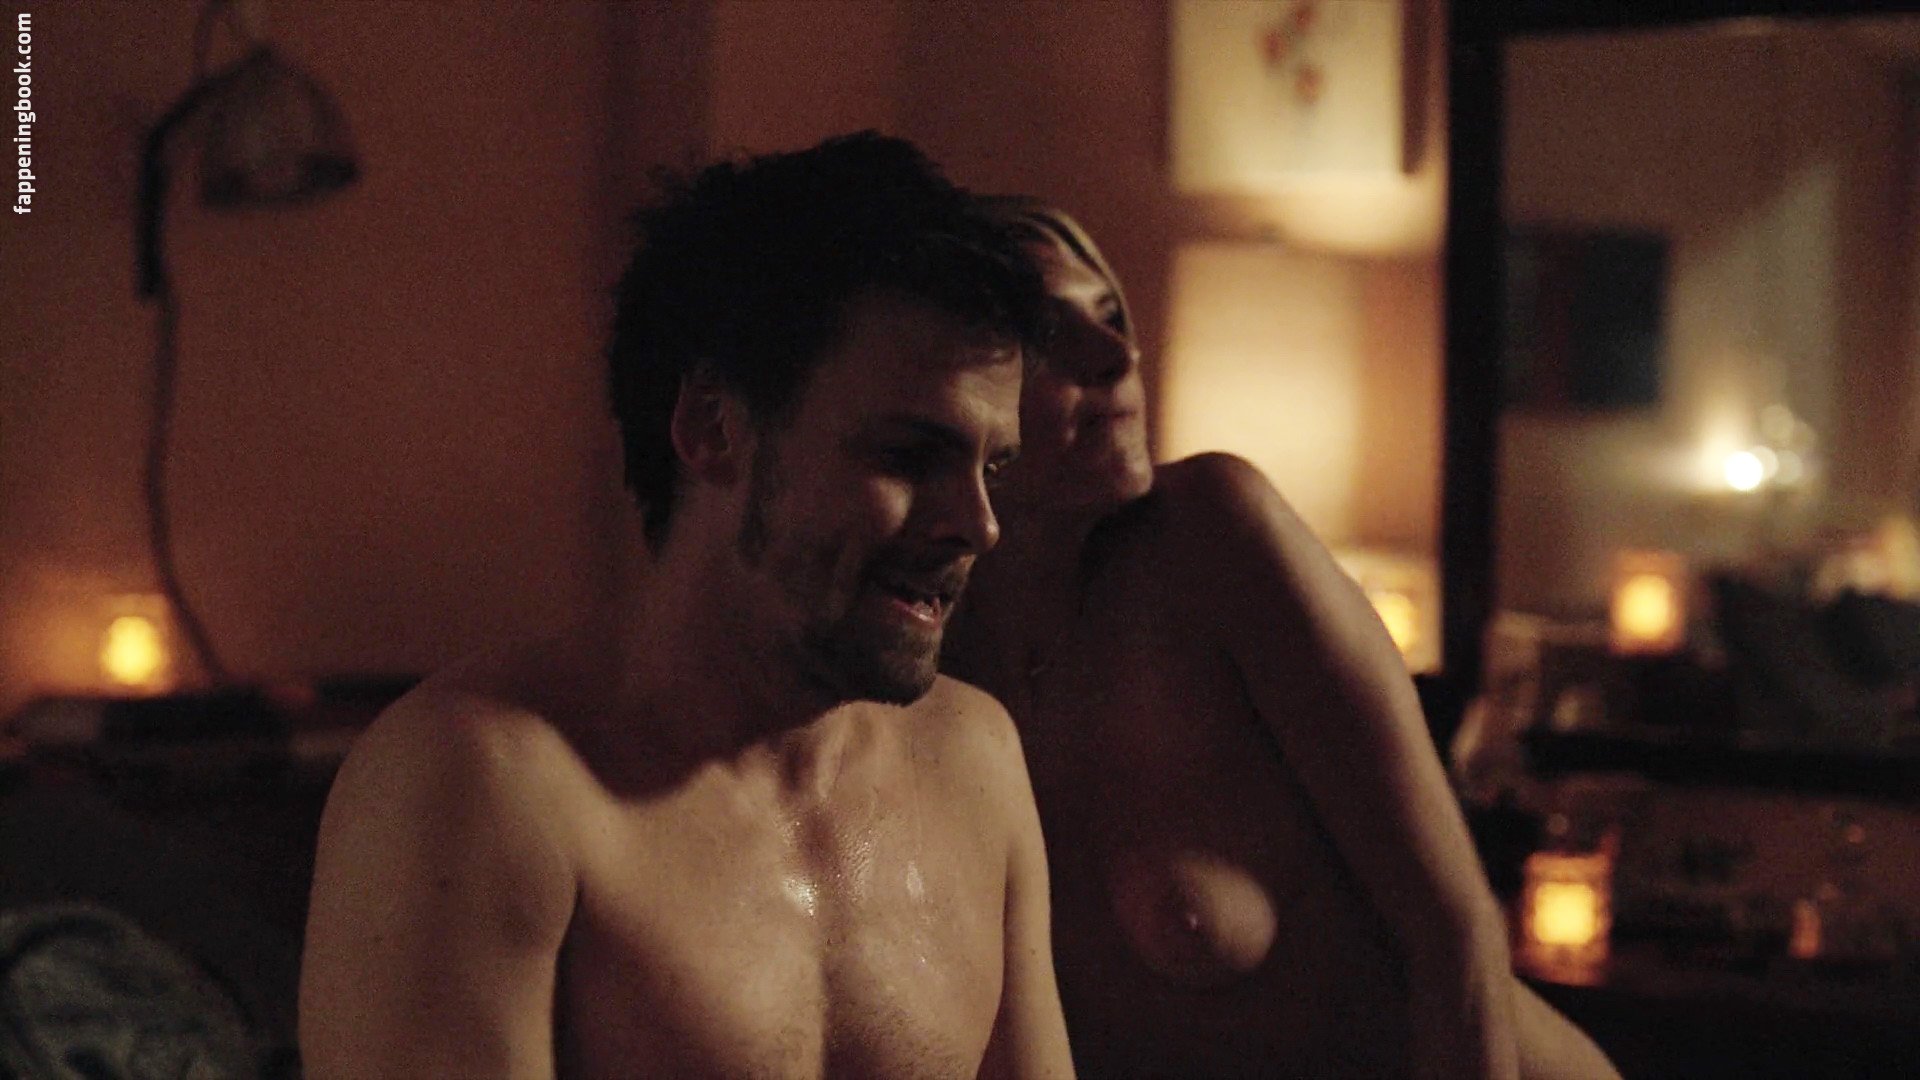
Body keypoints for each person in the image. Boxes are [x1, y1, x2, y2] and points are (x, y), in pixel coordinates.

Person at [299, 134, 1076, 1079]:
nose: (980, 525)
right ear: (714, 427)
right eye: (910, 455)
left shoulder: (974, 759)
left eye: (995, 468)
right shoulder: (482, 781)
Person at [940, 199, 1621, 1080]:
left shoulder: (1215, 538)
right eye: (1046, 331)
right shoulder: (928, 669)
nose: (1115, 355)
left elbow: (1454, 937)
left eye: (1111, 315)